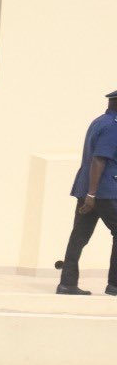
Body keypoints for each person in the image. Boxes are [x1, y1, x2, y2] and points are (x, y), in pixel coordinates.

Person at [55, 90, 117, 295]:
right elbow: (99, 159)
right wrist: (92, 195)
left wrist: (88, 194)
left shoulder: (99, 121)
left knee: (79, 235)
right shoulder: (113, 127)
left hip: (88, 189)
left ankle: (67, 283)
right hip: (104, 192)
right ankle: (114, 285)